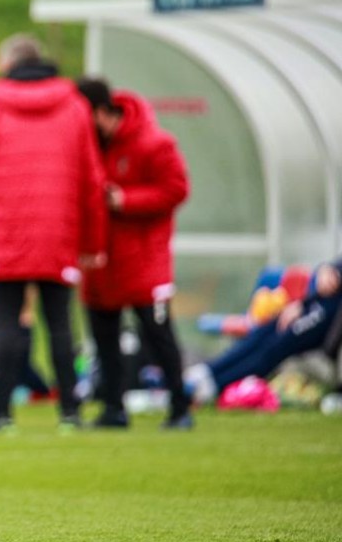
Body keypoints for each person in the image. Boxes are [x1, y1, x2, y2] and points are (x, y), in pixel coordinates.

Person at [0, 34, 105, 431]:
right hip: (58, 233)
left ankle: (1, 413)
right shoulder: (74, 106)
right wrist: (92, 241)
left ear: (6, 64)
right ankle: (70, 412)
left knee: (6, 322)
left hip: (3, 232)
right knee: (60, 324)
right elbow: (92, 179)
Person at [77, 77, 193, 430]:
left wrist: (125, 200)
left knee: (159, 336)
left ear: (100, 112)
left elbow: (176, 189)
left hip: (144, 260)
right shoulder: (89, 147)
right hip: (102, 261)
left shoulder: (155, 143)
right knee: (104, 340)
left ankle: (180, 408)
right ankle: (113, 409)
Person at [185, 259, 342, 403]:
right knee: (262, 333)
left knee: (276, 345)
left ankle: (212, 386)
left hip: (331, 317)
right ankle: (205, 373)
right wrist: (326, 272)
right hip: (321, 299)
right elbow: (333, 271)